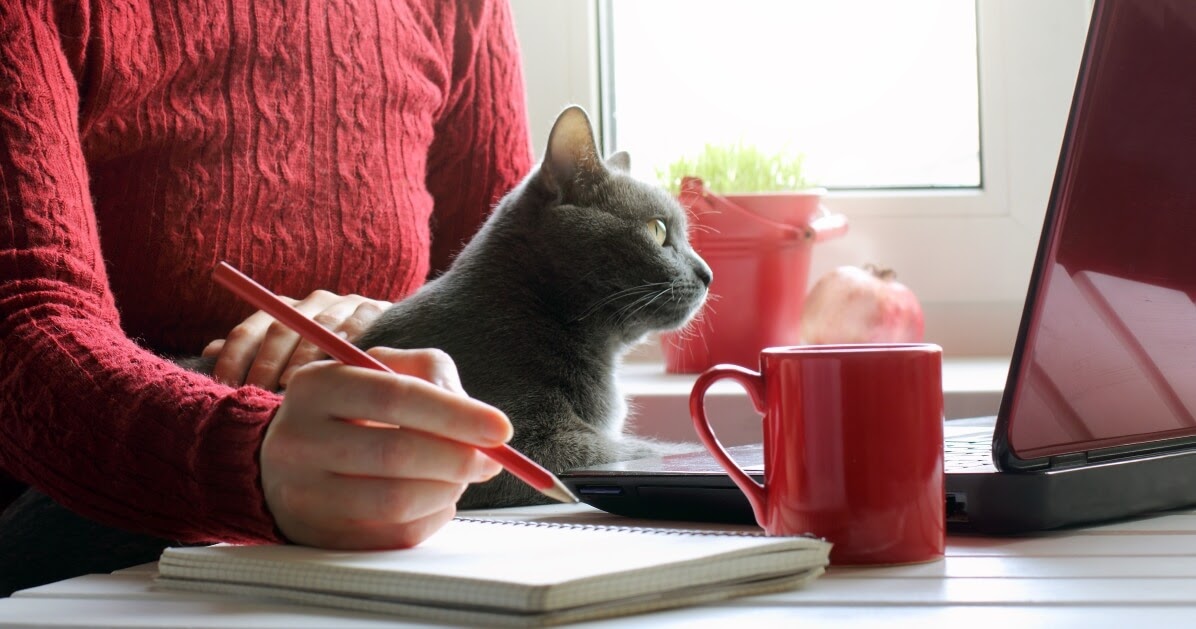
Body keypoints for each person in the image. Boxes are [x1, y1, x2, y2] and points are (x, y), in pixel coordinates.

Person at [0, 0, 532, 592]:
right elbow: (23, 319)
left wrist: (393, 327)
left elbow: (513, 300)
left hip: (385, 517)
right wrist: (247, 457)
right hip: (89, 532)